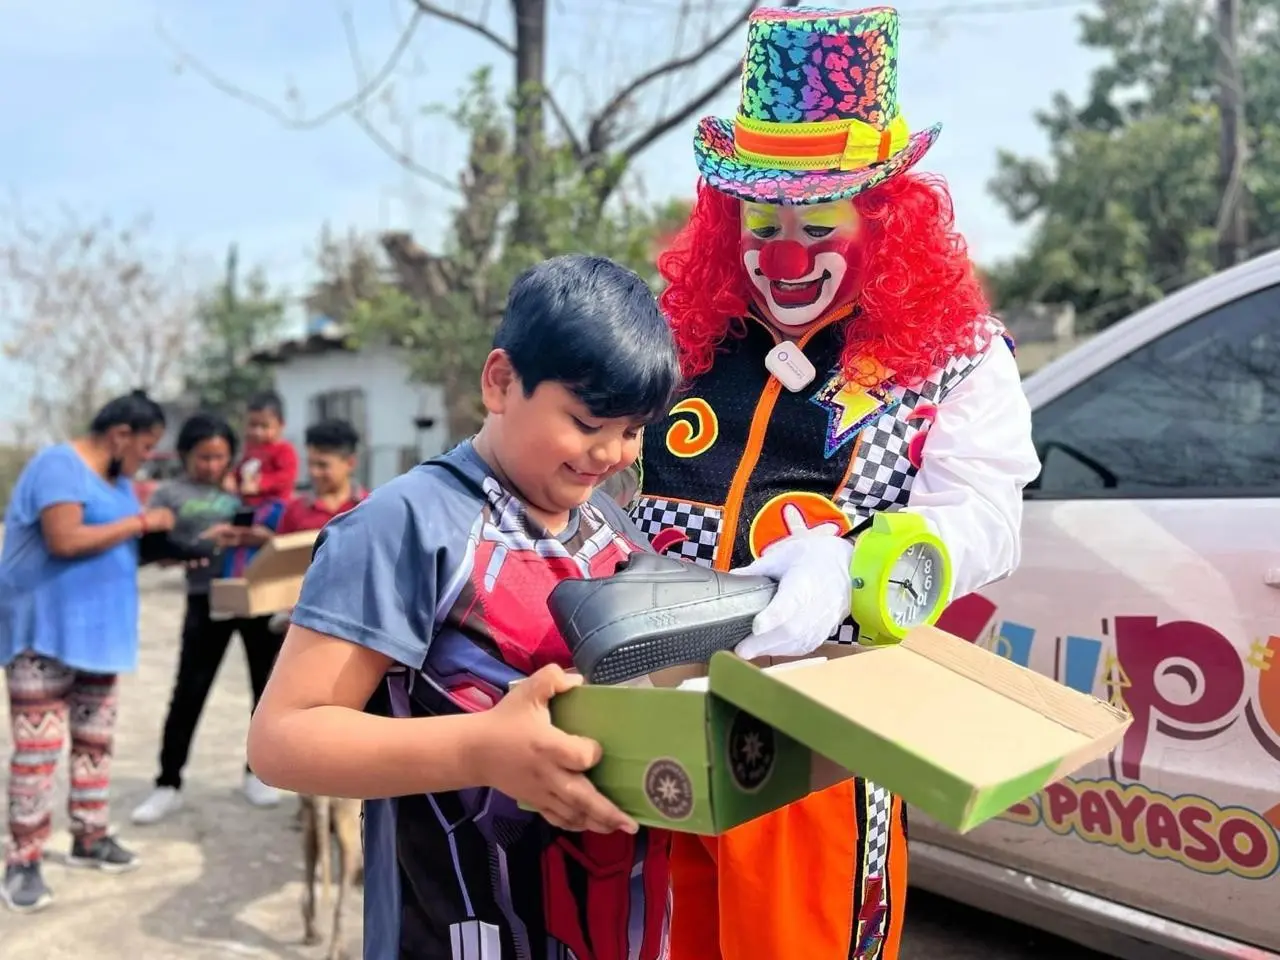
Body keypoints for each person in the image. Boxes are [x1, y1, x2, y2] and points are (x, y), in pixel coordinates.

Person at [246, 254, 842, 960]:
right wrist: (483, 750)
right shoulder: (406, 528)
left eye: (632, 429)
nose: (612, 454)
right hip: (455, 929)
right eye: (588, 421)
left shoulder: (608, 529)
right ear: (500, 382)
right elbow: (282, 741)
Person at [631, 7, 1042, 959]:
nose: (782, 255)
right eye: (760, 223)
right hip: (652, 716)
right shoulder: (682, 340)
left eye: (817, 223)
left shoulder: (957, 356)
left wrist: (853, 566)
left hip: (822, 744)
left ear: (884, 222)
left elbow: (986, 520)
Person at [0, 390, 173, 913]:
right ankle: (23, 859)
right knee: (38, 750)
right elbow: (65, 539)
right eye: (145, 447)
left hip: (100, 637)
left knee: (95, 744)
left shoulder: (118, 485)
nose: (145, 458)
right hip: (44, 632)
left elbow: (112, 545)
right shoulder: (59, 465)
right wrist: (145, 523)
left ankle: (89, 836)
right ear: (120, 435)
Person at [129, 412, 291, 824]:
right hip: (206, 599)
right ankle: (168, 783)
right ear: (185, 456)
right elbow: (153, 549)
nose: (212, 465)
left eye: (220, 457)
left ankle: (257, 774)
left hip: (255, 597)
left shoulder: (249, 488)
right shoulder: (169, 494)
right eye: (203, 457)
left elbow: (281, 526)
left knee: (265, 689)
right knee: (190, 691)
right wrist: (192, 546)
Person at [274, 418, 367, 537]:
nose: (314, 472)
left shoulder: (368, 507)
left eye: (322, 465)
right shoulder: (294, 511)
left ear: (350, 463)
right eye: (310, 464)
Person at [227, 390, 299, 506]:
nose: (257, 432)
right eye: (253, 425)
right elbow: (242, 469)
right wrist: (232, 478)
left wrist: (261, 483)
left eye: (264, 426)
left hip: (275, 505)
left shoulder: (284, 449)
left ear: (281, 425)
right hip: (249, 504)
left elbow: (286, 477)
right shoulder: (249, 448)